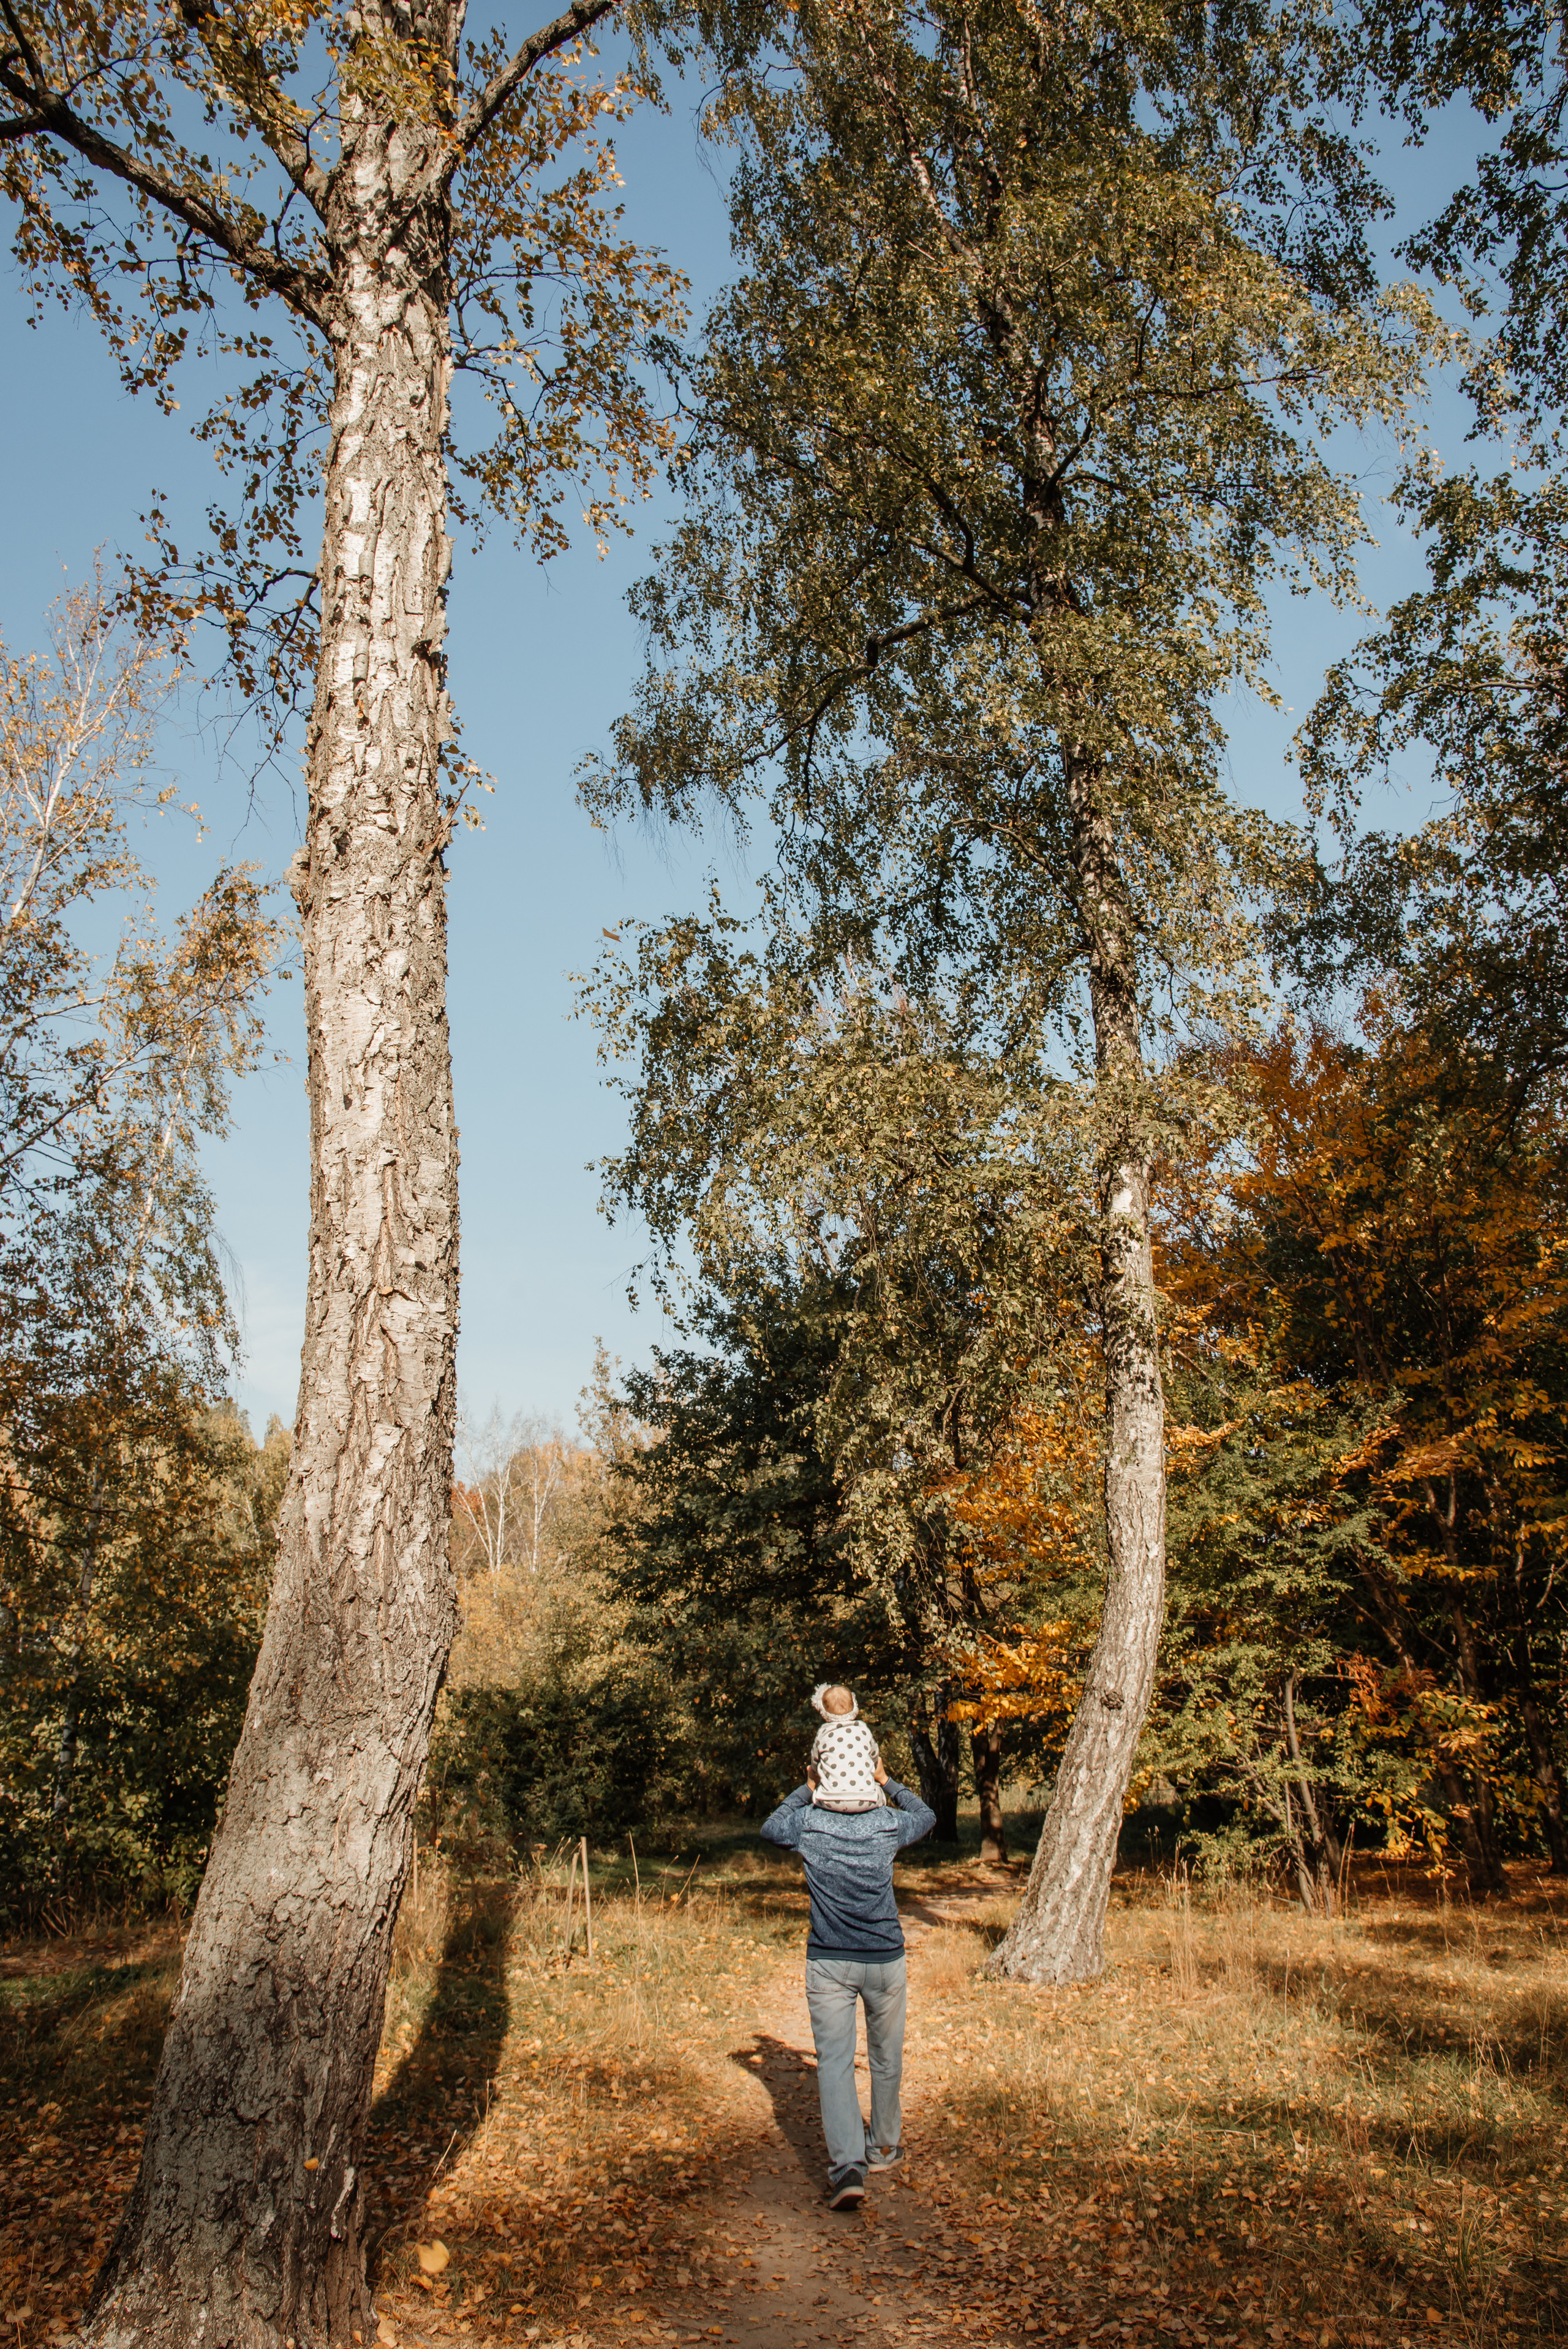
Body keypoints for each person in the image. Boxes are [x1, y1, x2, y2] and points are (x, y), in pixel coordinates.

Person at [760, 1721, 936, 2208]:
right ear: (865, 1767)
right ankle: (883, 2145)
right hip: (885, 1960)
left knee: (835, 2065)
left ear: (825, 1769)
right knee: (886, 2058)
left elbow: (771, 1827)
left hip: (830, 1962)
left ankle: (847, 2169)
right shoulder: (887, 1824)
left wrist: (807, 1785)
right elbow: (926, 1815)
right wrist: (888, 1780)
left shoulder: (809, 1825)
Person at [808, 1682, 888, 1810]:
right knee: (879, 1792)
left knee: (818, 1792)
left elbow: (815, 1762)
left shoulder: (823, 1732)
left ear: (824, 1712)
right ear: (854, 1707)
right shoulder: (863, 1729)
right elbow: (874, 1756)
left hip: (830, 1800)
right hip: (867, 1800)